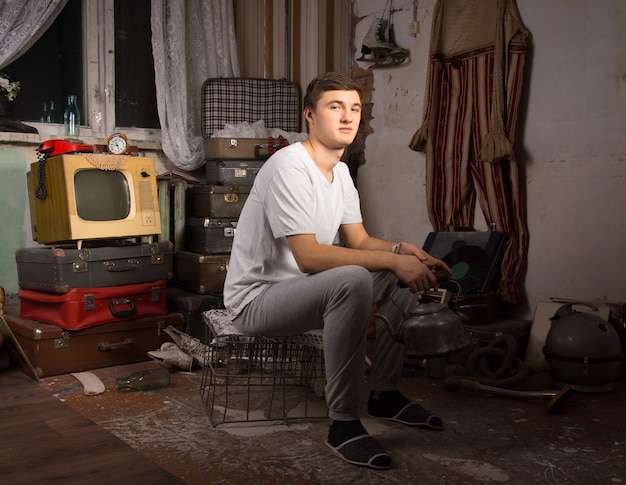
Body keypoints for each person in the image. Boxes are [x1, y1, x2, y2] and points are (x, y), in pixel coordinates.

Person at [223, 71, 451, 470]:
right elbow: (310, 257)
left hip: (304, 288)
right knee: (354, 278)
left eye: (355, 108)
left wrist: (403, 252)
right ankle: (342, 423)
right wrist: (391, 260)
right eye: (335, 107)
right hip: (257, 301)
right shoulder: (289, 167)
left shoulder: (341, 172)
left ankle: (385, 394)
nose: (348, 117)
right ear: (309, 115)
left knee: (399, 272)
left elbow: (360, 242)